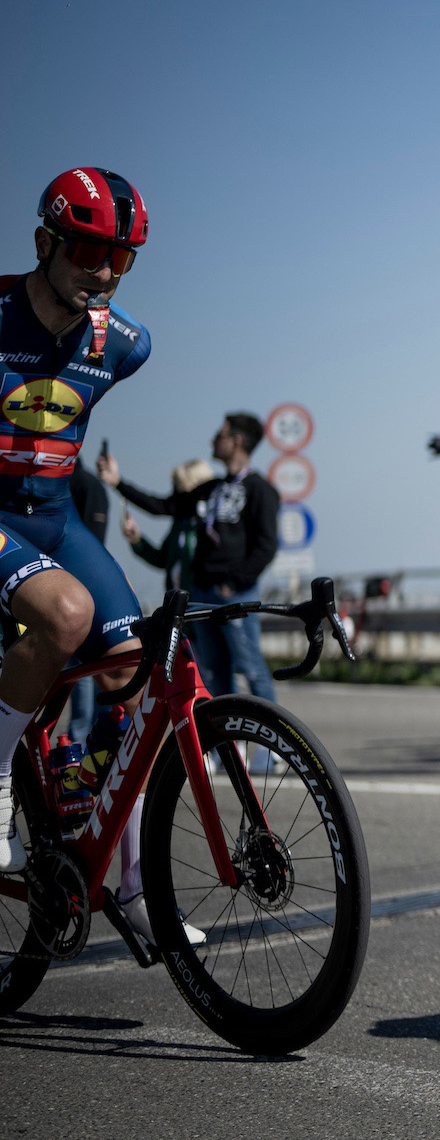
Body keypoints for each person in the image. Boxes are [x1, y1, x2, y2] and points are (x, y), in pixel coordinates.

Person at [0, 168, 173, 942]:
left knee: (138, 674)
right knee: (65, 615)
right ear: (45, 242)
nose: (103, 271)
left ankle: (130, 882)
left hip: (58, 516)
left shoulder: (125, 344)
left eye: (122, 258)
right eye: (89, 250)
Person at [105, 414, 282, 704]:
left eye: (220, 435)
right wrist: (118, 483)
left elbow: (266, 546)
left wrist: (235, 583)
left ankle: (272, 743)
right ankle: (228, 739)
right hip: (203, 593)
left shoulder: (260, 489)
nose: (213, 440)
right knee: (213, 670)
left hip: (234, 594)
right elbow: (163, 505)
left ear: (236, 441)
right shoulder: (211, 488)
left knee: (251, 668)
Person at [62, 458, 114, 743]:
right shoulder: (80, 482)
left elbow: (92, 539)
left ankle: (84, 735)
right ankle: (87, 733)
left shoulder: (82, 483)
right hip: (79, 583)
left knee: (82, 667)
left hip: (81, 585)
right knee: (83, 668)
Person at [121, 459, 217, 593]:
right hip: (176, 601)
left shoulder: (210, 527)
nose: (175, 496)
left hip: (202, 602)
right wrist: (137, 540)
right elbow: (162, 560)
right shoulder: (180, 525)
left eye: (180, 489)